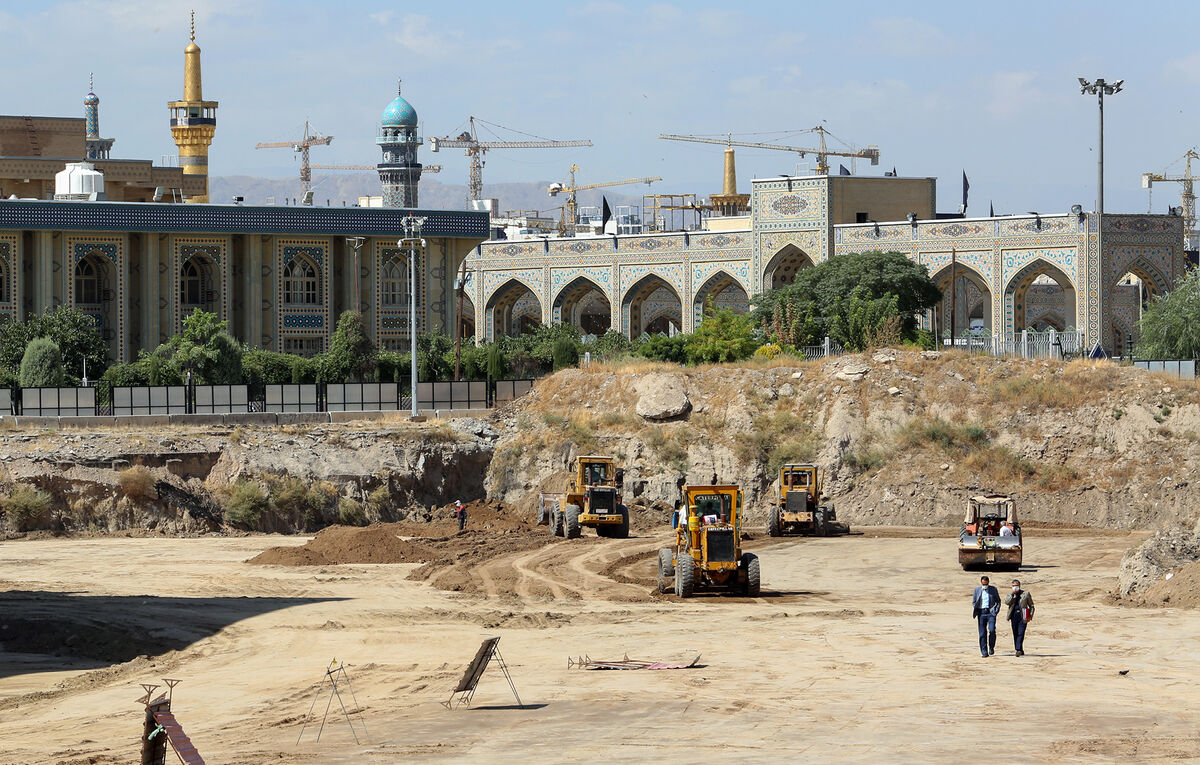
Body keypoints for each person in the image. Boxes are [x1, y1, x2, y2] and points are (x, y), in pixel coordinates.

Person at [972, 575, 1001, 657]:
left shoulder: (993, 589)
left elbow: (998, 601)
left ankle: (991, 647)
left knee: (991, 630)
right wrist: (976, 608)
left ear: (988, 582)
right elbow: (974, 601)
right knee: (982, 633)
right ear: (981, 583)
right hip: (981, 613)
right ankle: (984, 651)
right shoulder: (977, 590)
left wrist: (996, 610)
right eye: (983, 584)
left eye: (986, 584)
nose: (985, 586)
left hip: (991, 613)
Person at [1004, 579, 1035, 656]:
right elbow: (1007, 602)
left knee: (1021, 632)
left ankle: (1018, 650)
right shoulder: (1010, 594)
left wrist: (1030, 615)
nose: (1015, 587)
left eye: (1016, 586)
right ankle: (1020, 649)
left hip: (1023, 615)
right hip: (1014, 615)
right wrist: (1013, 595)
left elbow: (1031, 605)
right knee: (1015, 633)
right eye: (1013, 586)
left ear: (1019, 586)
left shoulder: (1025, 594)